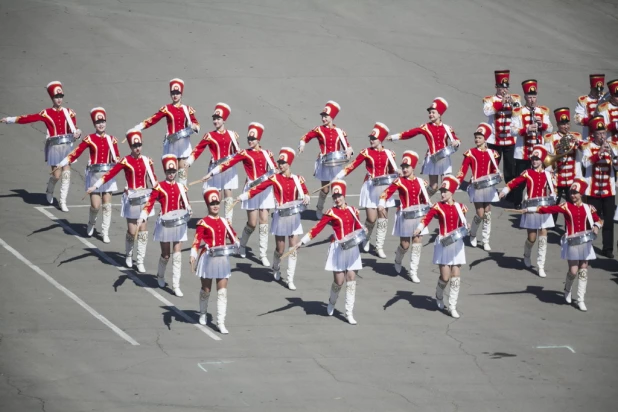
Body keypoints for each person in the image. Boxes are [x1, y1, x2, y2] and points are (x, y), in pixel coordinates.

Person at [201, 122, 276, 267]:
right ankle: (242, 245)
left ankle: (262, 254)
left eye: (253, 139)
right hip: (251, 190)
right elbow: (227, 164)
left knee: (264, 220)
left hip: (265, 190)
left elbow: (274, 171)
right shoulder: (244, 153)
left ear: (258, 139)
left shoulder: (267, 153)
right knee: (252, 223)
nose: (250, 141)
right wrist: (211, 173)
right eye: (248, 138)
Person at [522, 178, 602, 311]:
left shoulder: (589, 208)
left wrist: (596, 227)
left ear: (581, 193)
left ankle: (581, 299)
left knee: (583, 270)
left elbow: (598, 220)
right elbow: (548, 209)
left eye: (575, 193)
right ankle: (567, 288)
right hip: (571, 242)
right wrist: (530, 209)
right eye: (571, 192)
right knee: (573, 270)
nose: (573, 195)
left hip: (585, 242)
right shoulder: (565, 206)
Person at [1, 81, 82, 212]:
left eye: (61, 96)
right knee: (56, 175)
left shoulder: (70, 112)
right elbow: (28, 118)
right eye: (56, 97)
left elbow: (74, 128)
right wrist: (10, 119)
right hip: (54, 147)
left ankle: (62, 201)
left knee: (66, 173)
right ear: (52, 98)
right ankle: (49, 189)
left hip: (67, 145)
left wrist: (77, 133)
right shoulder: (46, 113)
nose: (59, 99)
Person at [236, 147, 310, 290]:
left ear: (289, 164)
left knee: (293, 248)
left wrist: (306, 197)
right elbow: (258, 188)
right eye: (279, 162)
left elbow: (305, 192)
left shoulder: (298, 179)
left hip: (294, 218)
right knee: (280, 249)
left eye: (283, 162)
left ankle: (290, 279)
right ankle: (276, 267)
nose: (280, 165)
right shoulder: (274, 178)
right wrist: (243, 197)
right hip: (280, 217)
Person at [292, 180, 363, 324]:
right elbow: (317, 228)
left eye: (339, 196)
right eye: (334, 197)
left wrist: (363, 231)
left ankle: (349, 312)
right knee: (339, 281)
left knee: (351, 280)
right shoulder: (331, 212)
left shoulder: (354, 210)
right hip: (338, 248)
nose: (337, 199)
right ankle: (332, 302)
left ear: (344, 195)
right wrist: (302, 241)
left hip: (352, 249)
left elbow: (357, 228)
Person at [86, 130, 158, 273]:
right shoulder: (126, 161)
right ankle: (129, 254)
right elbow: (110, 174)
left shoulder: (147, 161)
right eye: (134, 145)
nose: (137, 148)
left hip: (144, 198)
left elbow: (153, 180)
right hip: (131, 198)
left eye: (139, 145)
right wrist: (96, 185)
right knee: (132, 231)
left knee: (143, 231)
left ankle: (140, 260)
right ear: (130, 146)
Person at [56, 107, 120, 243]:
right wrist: (64, 161)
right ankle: (91, 222)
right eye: (98, 123)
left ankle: (105, 231)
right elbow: (77, 152)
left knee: (107, 205)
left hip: (107, 175)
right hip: (94, 175)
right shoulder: (89, 139)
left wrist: (118, 161)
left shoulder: (112, 140)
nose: (101, 124)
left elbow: (116, 156)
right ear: (94, 125)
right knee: (96, 205)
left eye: (103, 121)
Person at [334, 122, 397, 258]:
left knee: (383, 218)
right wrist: (339, 176)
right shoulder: (366, 152)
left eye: (373, 138)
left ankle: (379, 246)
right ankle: (367, 238)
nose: (371, 140)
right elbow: (353, 165)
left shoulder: (389, 154)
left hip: (384, 188)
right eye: (370, 138)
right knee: (371, 218)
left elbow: (393, 172)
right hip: (370, 187)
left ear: (380, 140)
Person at [413, 175, 468, 319]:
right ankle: (439, 294)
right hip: (443, 243)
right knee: (445, 277)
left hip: (457, 244)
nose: (442, 193)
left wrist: (466, 226)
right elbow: (427, 218)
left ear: (452, 192)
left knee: (456, 275)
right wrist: (419, 228)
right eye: (441, 191)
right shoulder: (437, 206)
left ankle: (452, 306)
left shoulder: (461, 207)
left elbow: (462, 224)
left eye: (445, 191)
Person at [137, 154, 192, 297]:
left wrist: (189, 211)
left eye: (173, 172)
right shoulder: (159, 187)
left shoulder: (181, 187)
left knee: (178, 254)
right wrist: (143, 216)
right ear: (165, 172)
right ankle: (160, 275)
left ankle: (176, 285)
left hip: (179, 223)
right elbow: (149, 203)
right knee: (166, 255)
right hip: (165, 224)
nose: (171, 174)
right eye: (169, 172)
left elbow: (186, 203)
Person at [499, 145, 556, 277]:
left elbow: (554, 189)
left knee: (543, 237)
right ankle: (527, 254)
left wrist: (553, 196)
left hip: (543, 208)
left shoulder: (548, 174)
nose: (534, 161)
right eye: (533, 159)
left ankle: (541, 265)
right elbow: (515, 182)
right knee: (532, 238)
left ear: (542, 160)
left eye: (537, 159)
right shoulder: (527, 173)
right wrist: (504, 191)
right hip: (530, 208)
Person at [130, 78, 200, 185]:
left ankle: (182, 198)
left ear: (181, 94)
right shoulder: (166, 108)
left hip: (184, 145)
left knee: (182, 175)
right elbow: (153, 119)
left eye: (177, 93)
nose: (175, 95)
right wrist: (139, 127)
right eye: (173, 93)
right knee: (170, 173)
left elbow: (196, 124)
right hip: (171, 143)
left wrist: (194, 126)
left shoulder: (187, 109)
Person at [387, 97, 460, 196]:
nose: (431, 115)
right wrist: (394, 137)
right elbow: (411, 133)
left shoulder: (447, 128)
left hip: (445, 159)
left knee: (446, 185)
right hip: (433, 158)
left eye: (433, 112)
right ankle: (422, 200)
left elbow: (455, 139)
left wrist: (456, 143)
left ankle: (444, 206)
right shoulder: (426, 127)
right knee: (433, 187)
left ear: (439, 114)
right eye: (430, 113)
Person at [191, 188, 239, 334]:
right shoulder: (203, 223)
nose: (216, 206)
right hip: (208, 258)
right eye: (212, 204)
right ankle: (203, 312)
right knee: (206, 289)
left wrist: (236, 243)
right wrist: (193, 254)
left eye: (217, 203)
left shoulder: (225, 221)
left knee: (222, 292)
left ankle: (220, 322)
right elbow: (196, 241)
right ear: (208, 205)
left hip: (222, 259)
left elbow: (233, 238)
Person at [378, 150, 430, 282]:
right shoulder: (399, 181)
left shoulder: (421, 182)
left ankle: (413, 271)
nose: (405, 169)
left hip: (418, 216)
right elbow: (386, 193)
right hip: (405, 216)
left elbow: (425, 200)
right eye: (403, 167)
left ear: (413, 167)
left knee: (417, 242)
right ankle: (398, 259)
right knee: (405, 245)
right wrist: (381, 203)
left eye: (407, 167)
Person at [185, 103, 239, 223]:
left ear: (224, 120)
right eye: (214, 119)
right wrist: (189, 161)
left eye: (218, 119)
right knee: (216, 195)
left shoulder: (232, 135)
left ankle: (228, 221)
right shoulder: (209, 136)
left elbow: (238, 152)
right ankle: (215, 220)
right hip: (215, 167)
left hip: (229, 168)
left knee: (228, 193)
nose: (216, 121)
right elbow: (198, 149)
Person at [298, 101, 354, 218]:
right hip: (324, 162)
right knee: (325, 189)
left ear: (331, 117)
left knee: (337, 188)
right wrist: (302, 144)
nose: (323, 119)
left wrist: (349, 151)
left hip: (336, 163)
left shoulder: (340, 131)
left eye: (326, 116)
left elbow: (347, 146)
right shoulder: (319, 130)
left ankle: (338, 211)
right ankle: (319, 208)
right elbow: (306, 136)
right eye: (322, 116)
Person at [456, 123, 502, 251]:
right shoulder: (470, 153)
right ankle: (473, 234)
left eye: (480, 137)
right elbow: (463, 170)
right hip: (476, 186)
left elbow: (494, 169)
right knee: (480, 213)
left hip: (488, 186)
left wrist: (498, 175)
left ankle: (486, 239)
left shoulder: (493, 153)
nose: (477, 140)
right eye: (476, 137)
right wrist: (457, 182)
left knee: (487, 212)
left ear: (485, 139)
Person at [510, 79, 553, 208]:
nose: (532, 100)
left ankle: (538, 200)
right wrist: (526, 129)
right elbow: (512, 131)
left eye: (534, 97)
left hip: (539, 153)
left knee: (540, 178)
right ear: (525, 97)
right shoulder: (518, 111)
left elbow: (550, 128)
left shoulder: (543, 111)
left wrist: (542, 124)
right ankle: (517, 202)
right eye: (530, 97)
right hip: (523, 152)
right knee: (521, 179)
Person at [581, 116, 617, 258]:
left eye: (604, 133)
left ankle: (607, 248)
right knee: (591, 220)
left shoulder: (613, 146)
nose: (602, 136)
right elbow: (585, 163)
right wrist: (599, 153)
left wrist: (613, 156)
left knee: (608, 220)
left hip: (608, 190)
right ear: (593, 134)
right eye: (599, 134)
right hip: (593, 190)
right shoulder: (588, 146)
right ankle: (587, 245)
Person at [543, 108, 584, 227]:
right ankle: (550, 225)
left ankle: (569, 227)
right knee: (554, 203)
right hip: (557, 177)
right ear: (557, 124)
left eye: (567, 123)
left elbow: (585, 151)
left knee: (571, 205)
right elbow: (547, 159)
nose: (566, 126)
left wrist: (579, 143)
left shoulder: (576, 136)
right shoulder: (550, 138)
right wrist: (558, 150)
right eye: (563, 124)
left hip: (572, 178)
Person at [483, 70, 521, 194]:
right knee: (492, 167)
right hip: (494, 140)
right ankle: (489, 191)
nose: (504, 90)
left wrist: (513, 105)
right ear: (496, 87)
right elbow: (487, 112)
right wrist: (501, 103)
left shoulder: (515, 98)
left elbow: (520, 114)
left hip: (510, 141)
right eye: (501, 88)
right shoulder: (490, 99)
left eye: (505, 88)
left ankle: (510, 194)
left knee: (510, 169)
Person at [574, 74, 605, 139]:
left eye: (601, 89)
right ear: (591, 88)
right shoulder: (583, 100)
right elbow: (577, 119)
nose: (598, 92)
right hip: (588, 136)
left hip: (605, 135)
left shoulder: (606, 98)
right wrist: (593, 121)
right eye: (596, 89)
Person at [596, 78, 618, 143]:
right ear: (611, 96)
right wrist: (616, 125)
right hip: (610, 144)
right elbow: (601, 128)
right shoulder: (603, 108)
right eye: (617, 96)